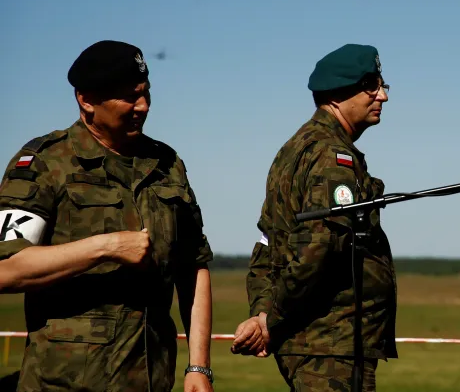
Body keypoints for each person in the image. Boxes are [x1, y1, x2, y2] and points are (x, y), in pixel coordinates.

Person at [0, 40, 215, 392]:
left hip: (154, 380)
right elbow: (5, 269)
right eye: (129, 97)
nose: (142, 106)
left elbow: (193, 266)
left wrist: (199, 367)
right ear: (86, 100)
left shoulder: (166, 165)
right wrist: (104, 247)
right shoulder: (44, 163)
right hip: (65, 383)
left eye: (145, 93)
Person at [231, 44, 397, 392]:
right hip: (331, 346)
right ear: (337, 95)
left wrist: (264, 313)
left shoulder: (297, 147)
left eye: (382, 85)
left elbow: (265, 246)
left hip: (316, 346)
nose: (382, 95)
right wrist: (270, 318)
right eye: (371, 86)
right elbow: (318, 250)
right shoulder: (331, 156)